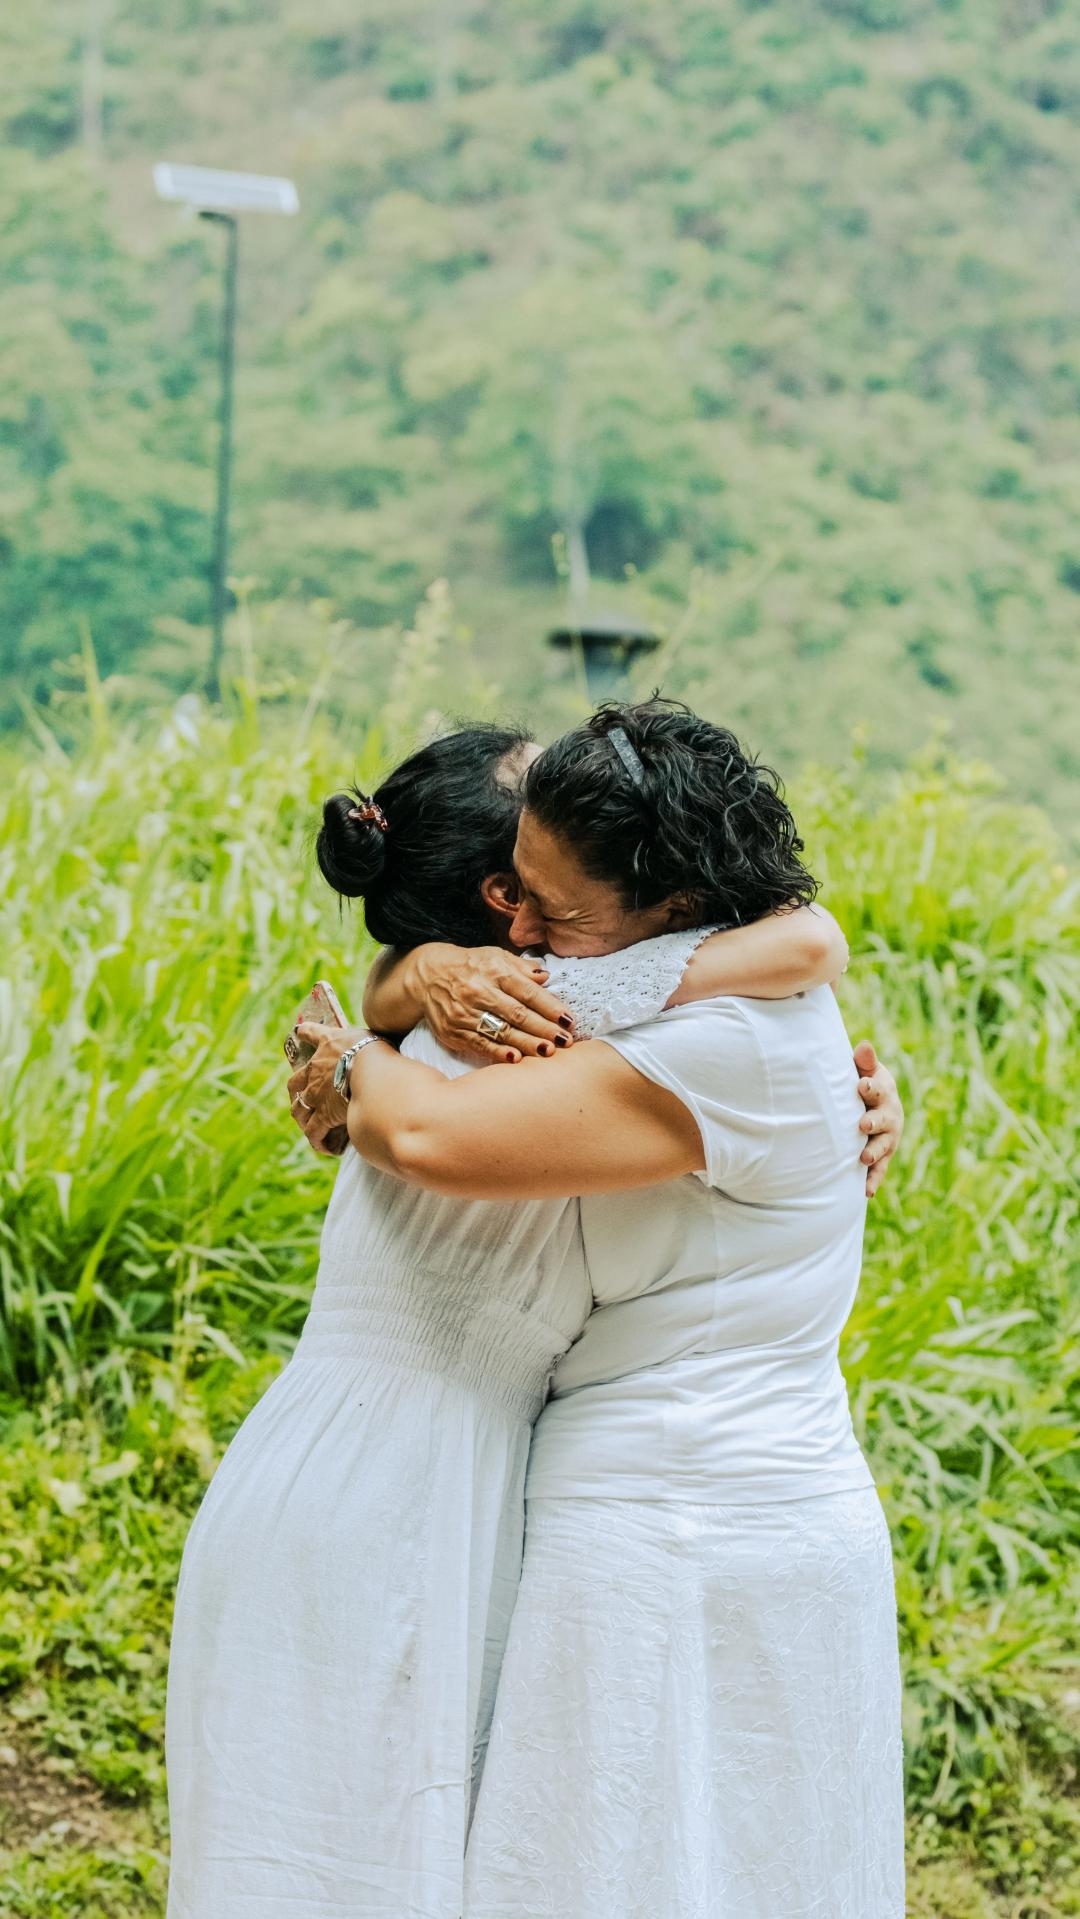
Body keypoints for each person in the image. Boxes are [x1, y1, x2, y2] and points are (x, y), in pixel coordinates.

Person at [165, 723, 890, 1919]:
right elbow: (806, 941)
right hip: (400, 1490)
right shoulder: (532, 1029)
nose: (530, 933)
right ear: (489, 906)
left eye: (549, 905)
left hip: (480, 1488)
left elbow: (805, 947)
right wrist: (391, 1005)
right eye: (518, 898)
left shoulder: (559, 1026)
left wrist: (362, 1032)